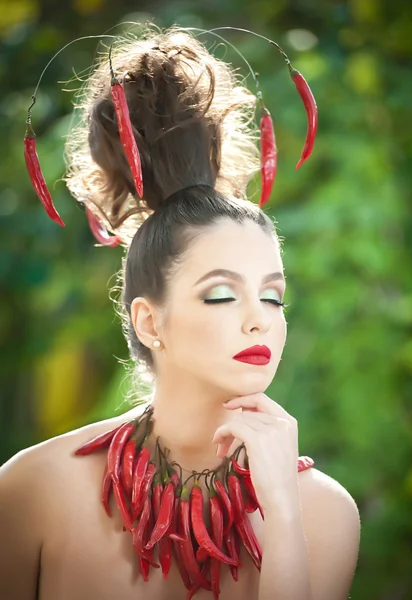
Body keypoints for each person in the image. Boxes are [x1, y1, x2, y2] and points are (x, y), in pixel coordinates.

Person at [0, 23, 360, 600]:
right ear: (149, 321)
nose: (258, 319)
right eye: (221, 293)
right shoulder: (34, 489)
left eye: (272, 295)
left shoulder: (324, 511)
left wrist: (284, 521)